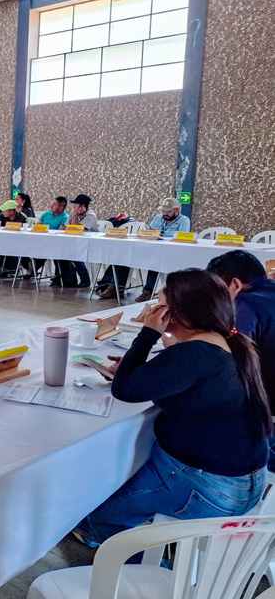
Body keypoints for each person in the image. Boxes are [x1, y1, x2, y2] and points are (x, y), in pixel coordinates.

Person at [74, 269, 270, 547]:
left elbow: (124, 391)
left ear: (175, 313)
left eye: (159, 303)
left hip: (208, 486)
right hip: (245, 481)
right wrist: (141, 367)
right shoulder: (229, 342)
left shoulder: (194, 354)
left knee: (94, 523)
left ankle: (149, 566)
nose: (153, 310)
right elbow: (179, 384)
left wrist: (148, 335)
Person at [207, 251, 275, 412]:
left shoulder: (244, 305)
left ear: (235, 285)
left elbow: (231, 357)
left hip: (264, 400)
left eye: (216, 289)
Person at [97, 197, 192, 300]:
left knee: (156, 261)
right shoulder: (158, 218)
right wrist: (153, 232)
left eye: (168, 211)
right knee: (125, 256)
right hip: (149, 248)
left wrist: (159, 233)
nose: (165, 213)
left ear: (177, 210)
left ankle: (148, 291)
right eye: (163, 210)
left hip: (169, 252)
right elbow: (149, 231)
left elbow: (181, 235)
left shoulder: (184, 220)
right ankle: (115, 287)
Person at [54, 194, 96, 288]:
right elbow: (67, 227)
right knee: (61, 251)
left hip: (89, 242)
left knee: (74, 254)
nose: (73, 206)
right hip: (75, 240)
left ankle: (85, 279)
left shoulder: (91, 215)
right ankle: (67, 279)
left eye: (76, 204)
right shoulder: (73, 212)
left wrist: (76, 215)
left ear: (82, 206)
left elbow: (75, 228)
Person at [24, 196, 68, 279]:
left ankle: (32, 268)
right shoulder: (46, 214)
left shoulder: (65, 217)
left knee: (43, 252)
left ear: (61, 207)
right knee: (23, 248)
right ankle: (30, 267)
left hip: (52, 242)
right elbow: (37, 226)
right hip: (39, 239)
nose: (51, 205)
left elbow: (60, 231)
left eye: (54, 204)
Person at [0, 199, 27, 276]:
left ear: (12, 211)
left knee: (13, 249)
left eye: (4, 210)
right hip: (4, 240)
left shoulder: (22, 217)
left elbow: (25, 231)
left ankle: (13, 270)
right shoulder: (2, 216)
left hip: (18, 241)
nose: (2, 212)